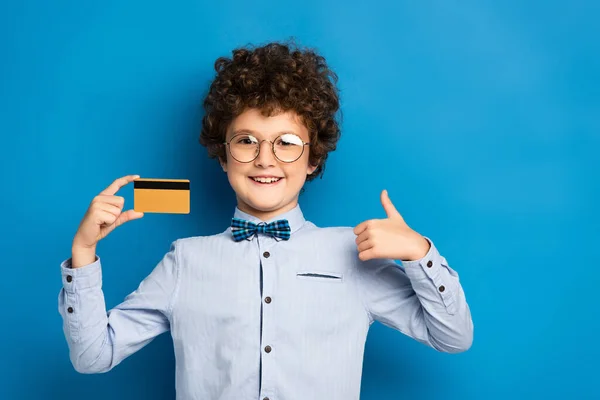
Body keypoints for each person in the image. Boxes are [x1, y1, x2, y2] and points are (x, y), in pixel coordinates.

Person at [58, 40, 473, 400]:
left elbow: (453, 337)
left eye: (286, 143)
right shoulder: (184, 261)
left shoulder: (352, 253)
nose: (265, 159)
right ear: (222, 157)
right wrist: (83, 254)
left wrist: (420, 254)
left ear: (312, 159)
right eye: (246, 141)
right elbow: (94, 356)